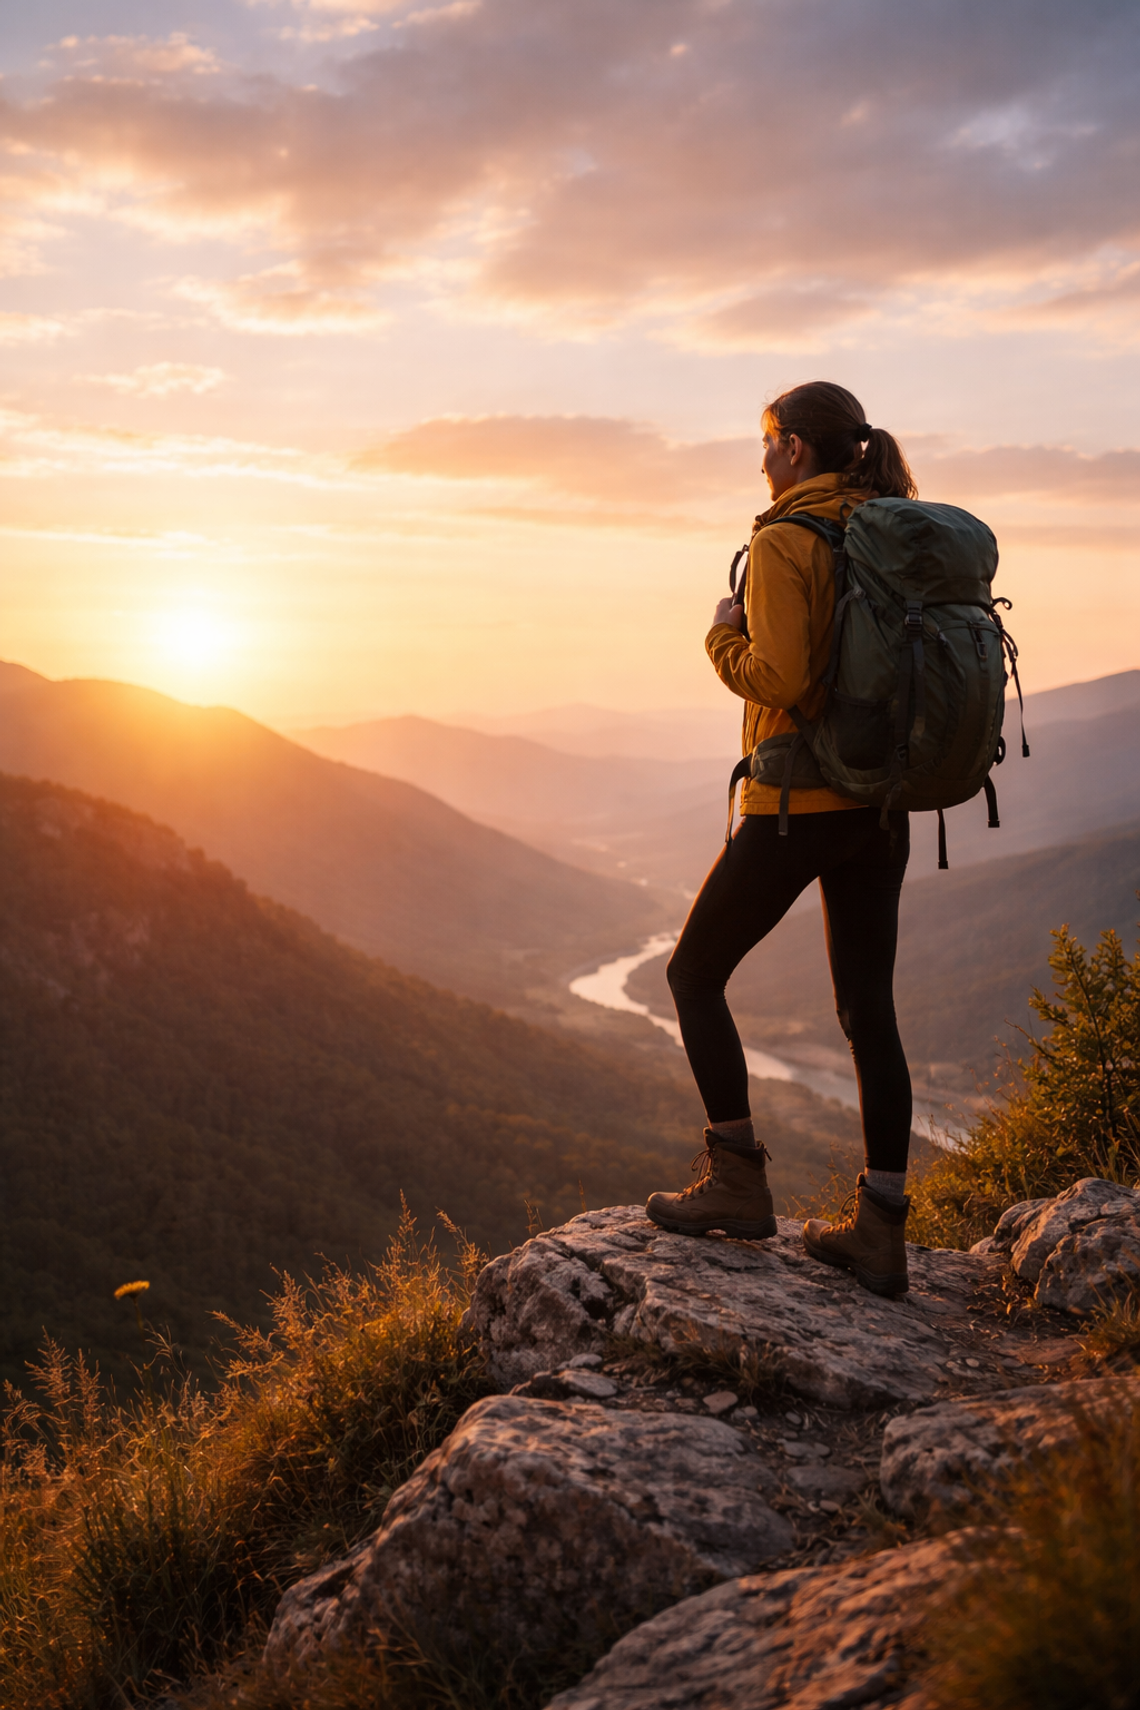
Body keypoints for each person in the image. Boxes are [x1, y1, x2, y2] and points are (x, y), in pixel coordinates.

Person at [645, 380, 917, 1298]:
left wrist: (721, 640)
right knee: (867, 1014)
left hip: (799, 804)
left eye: (765, 443)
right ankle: (882, 1230)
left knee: (691, 976)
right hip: (882, 805)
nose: (759, 460)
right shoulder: (889, 524)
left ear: (796, 449)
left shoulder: (786, 538)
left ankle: (736, 1182)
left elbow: (783, 674)